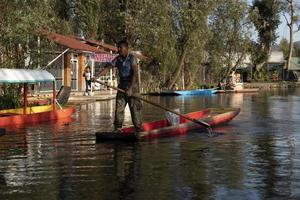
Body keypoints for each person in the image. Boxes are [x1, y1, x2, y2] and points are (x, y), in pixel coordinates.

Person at [93, 40, 143, 133]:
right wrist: (97, 77)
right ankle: (118, 128)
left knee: (135, 108)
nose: (118, 49)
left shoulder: (132, 58)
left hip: (133, 86)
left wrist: (131, 89)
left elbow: (135, 74)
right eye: (118, 47)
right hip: (122, 86)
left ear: (126, 48)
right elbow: (107, 68)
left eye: (120, 47)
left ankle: (139, 129)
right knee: (119, 108)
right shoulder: (117, 59)